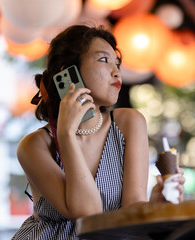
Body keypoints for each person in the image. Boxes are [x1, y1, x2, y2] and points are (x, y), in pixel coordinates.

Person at [12, 24, 185, 239]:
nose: (116, 71)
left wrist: (154, 205)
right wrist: (66, 134)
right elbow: (88, 214)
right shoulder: (34, 146)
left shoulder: (129, 123)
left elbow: (132, 207)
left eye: (117, 63)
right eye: (103, 60)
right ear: (67, 73)